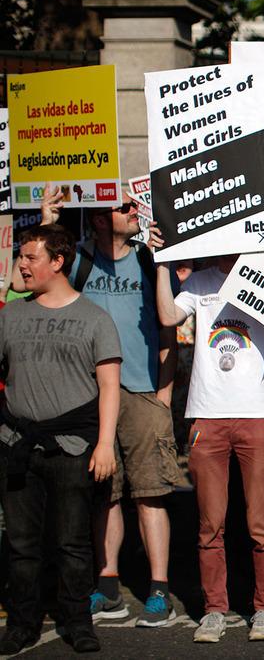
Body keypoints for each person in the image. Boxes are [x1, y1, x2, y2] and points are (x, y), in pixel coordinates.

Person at [21, 185, 183, 627]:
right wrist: (48, 219)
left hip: (144, 392)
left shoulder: (148, 259)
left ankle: (159, 590)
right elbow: (26, 282)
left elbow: (168, 331)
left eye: (133, 205)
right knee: (104, 494)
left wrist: (164, 393)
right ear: (96, 219)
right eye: (123, 206)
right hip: (91, 398)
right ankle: (108, 587)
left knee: (151, 493)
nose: (133, 211)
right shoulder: (80, 260)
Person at [156, 238, 264, 643]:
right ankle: (214, 610)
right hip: (207, 414)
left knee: (261, 522)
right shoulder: (200, 281)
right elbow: (168, 315)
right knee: (210, 524)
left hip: (257, 411)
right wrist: (162, 262)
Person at [0, 224, 121, 654]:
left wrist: (104, 444)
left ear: (57, 262)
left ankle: (78, 622)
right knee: (21, 545)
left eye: (31, 257)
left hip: (73, 448)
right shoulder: (10, 316)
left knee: (73, 543)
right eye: (21, 256)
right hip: (16, 444)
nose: (22, 264)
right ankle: (22, 624)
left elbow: (109, 386)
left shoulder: (95, 318)